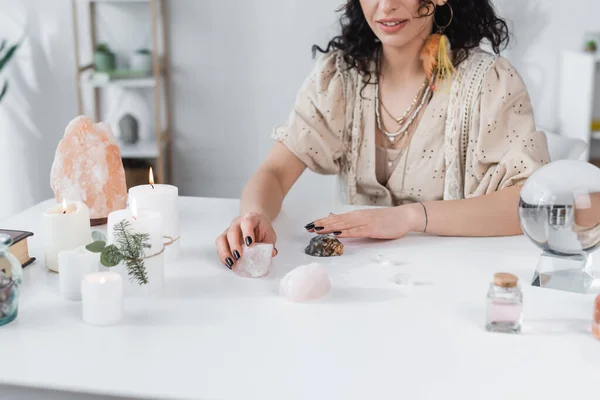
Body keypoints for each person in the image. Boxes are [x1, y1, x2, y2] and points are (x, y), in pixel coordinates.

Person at [215, 0, 550, 269]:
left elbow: (529, 205)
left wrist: (407, 217)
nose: (385, 6)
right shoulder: (341, 76)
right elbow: (274, 171)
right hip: (358, 282)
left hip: (453, 284)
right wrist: (254, 216)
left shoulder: (489, 81)